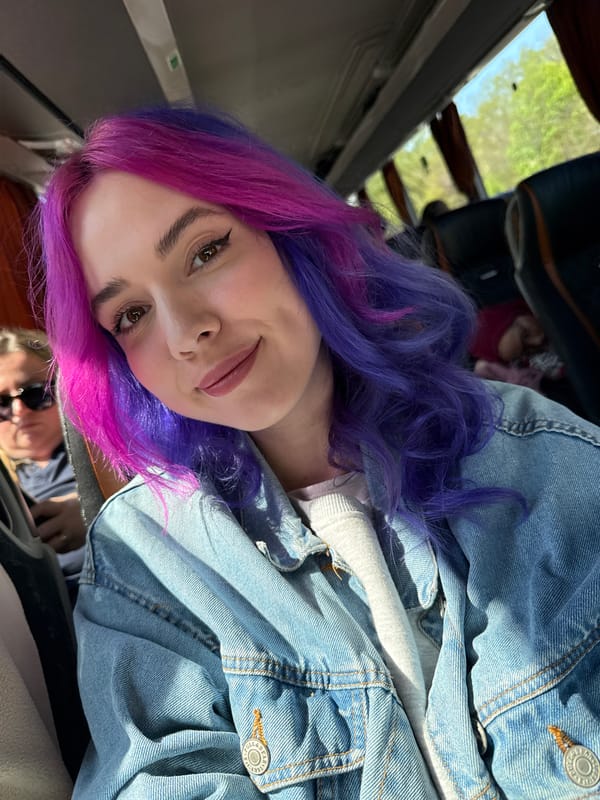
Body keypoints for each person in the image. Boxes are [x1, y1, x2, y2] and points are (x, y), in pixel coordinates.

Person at [35, 107, 599, 799]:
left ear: (287, 230)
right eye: (130, 315)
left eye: (205, 253)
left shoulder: (534, 454)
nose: (185, 334)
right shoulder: (148, 565)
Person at [0, 328, 86, 598]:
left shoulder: (112, 452)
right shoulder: (6, 489)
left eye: (35, 393)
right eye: (1, 403)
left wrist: (95, 511)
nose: (19, 411)